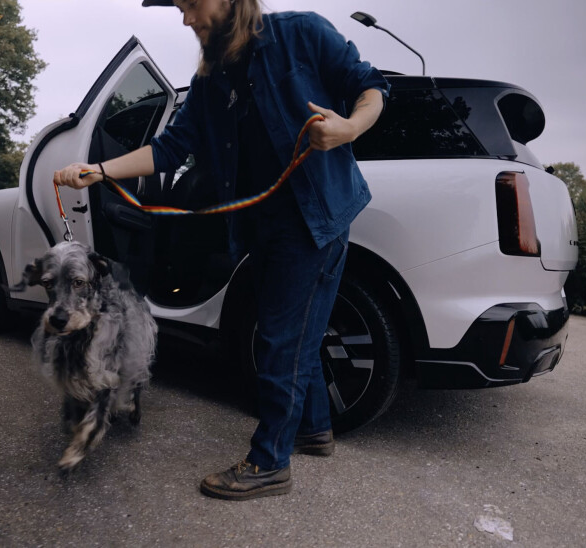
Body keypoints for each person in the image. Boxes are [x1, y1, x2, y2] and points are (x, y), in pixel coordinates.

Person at [54, 0, 389, 501]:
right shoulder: (211, 79)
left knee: (279, 339)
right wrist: (99, 170)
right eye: (180, 8)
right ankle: (314, 430)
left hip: (313, 217)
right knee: (299, 331)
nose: (186, 19)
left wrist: (350, 126)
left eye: (192, 4)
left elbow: (371, 85)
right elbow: (169, 148)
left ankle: (269, 463)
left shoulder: (301, 33)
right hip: (260, 226)